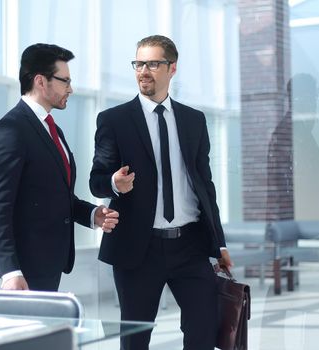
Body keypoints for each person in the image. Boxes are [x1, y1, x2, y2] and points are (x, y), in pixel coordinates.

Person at [89, 35, 233, 350]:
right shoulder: (114, 120)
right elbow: (96, 180)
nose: (144, 70)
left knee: (203, 333)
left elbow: (205, 187)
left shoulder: (194, 120)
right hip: (139, 249)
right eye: (139, 63)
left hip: (191, 245)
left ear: (172, 68)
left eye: (153, 63)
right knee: (135, 340)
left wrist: (218, 242)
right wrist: (114, 182)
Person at [0, 43, 119, 292]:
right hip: (23, 270)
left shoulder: (52, 129)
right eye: (65, 81)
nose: (71, 89)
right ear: (41, 81)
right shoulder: (10, 130)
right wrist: (9, 271)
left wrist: (92, 215)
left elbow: (56, 195)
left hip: (49, 263)